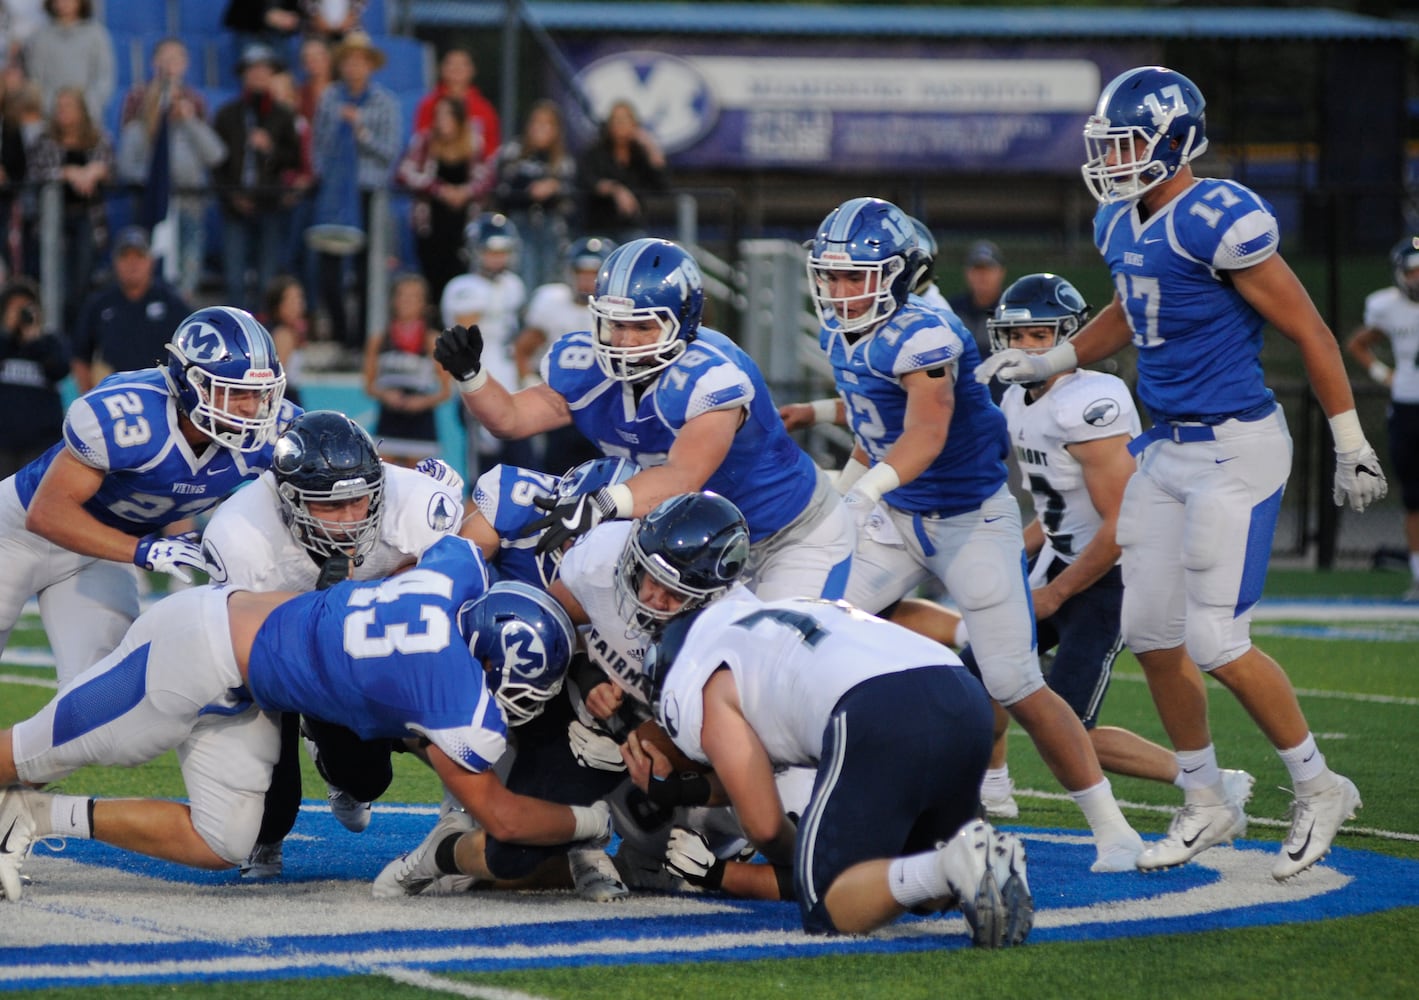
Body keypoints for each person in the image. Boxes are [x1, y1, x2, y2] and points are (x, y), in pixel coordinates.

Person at [978, 66, 1386, 880]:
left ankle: (1317, 783)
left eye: (1127, 142)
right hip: (1164, 448)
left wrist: (1350, 441)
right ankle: (1204, 798)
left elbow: (1307, 328)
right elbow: (1132, 306)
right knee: (1153, 634)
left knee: (1212, 637)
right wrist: (1053, 358)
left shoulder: (1218, 218)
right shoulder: (1118, 222)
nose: (1114, 158)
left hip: (1236, 445)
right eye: (1108, 143)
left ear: (1173, 142)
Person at [801, 196, 1143, 873]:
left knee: (1016, 681)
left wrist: (859, 498)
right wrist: (840, 500)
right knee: (809, 626)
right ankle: (814, 798)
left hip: (966, 519)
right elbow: (874, 433)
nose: (839, 292)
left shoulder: (925, 331)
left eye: (854, 277)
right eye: (831, 277)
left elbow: (924, 438)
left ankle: (1112, 828)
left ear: (899, 274)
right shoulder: (840, 333)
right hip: (895, 516)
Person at [0, 537, 611, 902]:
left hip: (252, 685)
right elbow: (501, 816)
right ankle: (23, 792)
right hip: (194, 651)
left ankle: (32, 815)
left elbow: (472, 539)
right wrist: (588, 820)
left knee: (225, 842)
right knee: (25, 754)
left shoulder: (449, 582)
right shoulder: (449, 692)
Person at [601, 492, 1031, 945]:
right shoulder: (768, 617)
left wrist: (800, 862)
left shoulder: (700, 674)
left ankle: (953, 861)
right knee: (922, 894)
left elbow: (765, 825)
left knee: (830, 902)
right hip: (958, 691)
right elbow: (746, 770)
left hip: (876, 706)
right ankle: (967, 859)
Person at [967, 272, 1256, 822]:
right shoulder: (1015, 399)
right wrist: (1008, 554)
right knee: (972, 678)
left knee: (1069, 728)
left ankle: (1212, 785)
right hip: (1063, 560)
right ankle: (989, 788)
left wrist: (1053, 595)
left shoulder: (1089, 402)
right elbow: (1054, 512)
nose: (1024, 348)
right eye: (1014, 336)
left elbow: (1124, 523)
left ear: (1070, 337)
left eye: (1040, 336)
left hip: (1115, 573)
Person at [434, 236, 855, 603]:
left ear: (684, 322)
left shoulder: (711, 374)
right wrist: (472, 377)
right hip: (697, 547)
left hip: (787, 535)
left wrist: (600, 504)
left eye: (641, 327)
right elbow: (509, 419)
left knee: (771, 660)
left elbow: (683, 476)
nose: (623, 341)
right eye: (615, 324)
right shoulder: (587, 365)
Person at [199, 409, 466, 878]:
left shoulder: (417, 504)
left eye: (360, 502)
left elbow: (452, 592)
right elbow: (238, 650)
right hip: (271, 654)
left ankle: (329, 749)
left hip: (361, 644)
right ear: (288, 501)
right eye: (329, 506)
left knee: (367, 778)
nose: (347, 520)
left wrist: (392, 590)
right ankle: (266, 833)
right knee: (266, 818)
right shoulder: (241, 533)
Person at [0, 306, 294, 688]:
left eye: (259, 393)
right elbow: (45, 513)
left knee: (95, 698)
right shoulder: (133, 413)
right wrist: (144, 551)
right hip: (19, 535)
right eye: (235, 392)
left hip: (100, 553)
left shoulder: (275, 433)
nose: (252, 409)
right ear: (193, 385)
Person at [115, 37, 226, 300]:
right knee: (150, 264)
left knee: (188, 268)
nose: (170, 66)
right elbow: (127, 157)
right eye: (165, 59)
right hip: (152, 203)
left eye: (176, 60)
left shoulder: (194, 102)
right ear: (154, 63)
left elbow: (215, 155)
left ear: (185, 65)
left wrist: (189, 121)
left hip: (189, 203)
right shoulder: (137, 99)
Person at [310, 30, 400, 352]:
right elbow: (318, 144)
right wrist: (327, 176)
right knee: (329, 268)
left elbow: (390, 152)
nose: (354, 67)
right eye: (348, 61)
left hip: (368, 193)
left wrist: (361, 131)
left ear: (370, 65)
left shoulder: (385, 102)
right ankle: (338, 333)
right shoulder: (330, 98)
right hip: (334, 194)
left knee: (366, 271)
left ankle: (364, 339)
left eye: (360, 61)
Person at [1346, 236, 1419, 601]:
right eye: (1413, 270)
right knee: (1414, 496)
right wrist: (1381, 373)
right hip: (1407, 406)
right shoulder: (1386, 307)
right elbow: (1358, 342)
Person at [513, 235, 616, 474]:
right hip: (561, 406)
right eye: (581, 273)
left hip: (603, 407)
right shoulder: (552, 302)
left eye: (593, 273)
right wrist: (530, 381)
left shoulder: (616, 310)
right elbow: (522, 349)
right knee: (556, 476)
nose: (586, 280)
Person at [212, 43, 303, 314]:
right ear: (244, 75)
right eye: (254, 70)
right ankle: (233, 334)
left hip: (270, 205)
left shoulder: (284, 115)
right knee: (234, 277)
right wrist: (231, 195)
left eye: (265, 71)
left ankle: (263, 335)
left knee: (267, 278)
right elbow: (217, 162)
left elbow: (294, 159)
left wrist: (271, 149)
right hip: (234, 205)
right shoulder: (227, 114)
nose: (259, 76)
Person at [439, 212, 531, 476]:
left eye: (502, 251)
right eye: (490, 251)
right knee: (483, 472)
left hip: (511, 384)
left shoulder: (513, 284)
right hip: (476, 384)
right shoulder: (463, 287)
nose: (497, 258)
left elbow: (518, 336)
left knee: (524, 467)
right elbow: (467, 330)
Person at [27, 84, 110, 330]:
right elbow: (34, 171)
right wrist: (67, 172)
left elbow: (110, 166)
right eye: (59, 106)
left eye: (69, 106)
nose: (63, 111)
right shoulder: (45, 139)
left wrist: (95, 171)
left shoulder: (97, 138)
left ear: (81, 110)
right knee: (56, 281)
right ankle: (57, 333)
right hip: (54, 222)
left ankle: (80, 335)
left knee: (82, 281)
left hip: (88, 219)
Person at [69, 226, 191, 392]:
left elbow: (191, 353)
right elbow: (80, 356)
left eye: (139, 256)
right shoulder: (99, 305)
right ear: (114, 261)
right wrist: (90, 396)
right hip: (116, 399)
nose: (132, 264)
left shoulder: (172, 303)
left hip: (162, 396)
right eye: (125, 257)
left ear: (151, 261)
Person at [397, 94, 482, 301]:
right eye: (439, 115)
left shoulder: (473, 143)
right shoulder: (425, 142)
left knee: (459, 276)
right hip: (430, 224)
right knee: (431, 277)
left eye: (448, 115)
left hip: (462, 224)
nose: (442, 120)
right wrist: (438, 189)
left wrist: (465, 192)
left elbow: (486, 177)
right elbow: (404, 172)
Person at [363, 271, 450, 467]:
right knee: (385, 482)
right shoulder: (380, 340)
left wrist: (422, 402)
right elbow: (368, 385)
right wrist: (386, 395)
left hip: (421, 423)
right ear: (394, 300)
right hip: (389, 420)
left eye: (414, 297)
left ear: (424, 303)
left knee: (419, 484)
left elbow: (445, 391)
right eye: (402, 295)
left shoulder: (432, 340)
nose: (407, 302)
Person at [492, 99, 577, 292]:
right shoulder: (512, 152)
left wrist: (555, 189)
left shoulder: (563, 161)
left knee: (550, 280)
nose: (541, 129)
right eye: (537, 122)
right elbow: (501, 191)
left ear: (556, 130)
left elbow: (572, 201)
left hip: (552, 228)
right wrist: (529, 192)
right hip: (519, 225)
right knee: (522, 279)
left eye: (548, 124)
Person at [0, 276, 66, 478]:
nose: (21, 313)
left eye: (25, 307)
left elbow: (60, 369)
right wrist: (8, 332)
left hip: (40, 444)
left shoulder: (50, 342)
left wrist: (33, 339)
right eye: (14, 307)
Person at [578, 101, 668, 244]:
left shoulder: (640, 155)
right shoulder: (595, 152)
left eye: (625, 120)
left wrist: (651, 148)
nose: (620, 125)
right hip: (600, 226)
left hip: (632, 226)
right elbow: (586, 180)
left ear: (634, 125)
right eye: (616, 120)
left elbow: (661, 187)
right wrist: (615, 190)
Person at [22, 0, 112, 122]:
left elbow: (104, 79)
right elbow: (36, 80)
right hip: (51, 117)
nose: (63, 3)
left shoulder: (96, 35)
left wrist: (85, 107)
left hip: (87, 117)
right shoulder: (41, 37)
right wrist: (57, 108)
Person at [412, 47, 499, 168]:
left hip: (474, 174)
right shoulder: (428, 105)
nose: (457, 68)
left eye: (463, 64)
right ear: (441, 69)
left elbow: (491, 151)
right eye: (451, 64)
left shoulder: (484, 109)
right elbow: (421, 144)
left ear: (472, 70)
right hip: (434, 170)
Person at [946, 239, 1007, 360]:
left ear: (1001, 272)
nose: (982, 276)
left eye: (988, 269)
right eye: (977, 269)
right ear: (967, 273)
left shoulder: (1012, 309)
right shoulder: (952, 309)